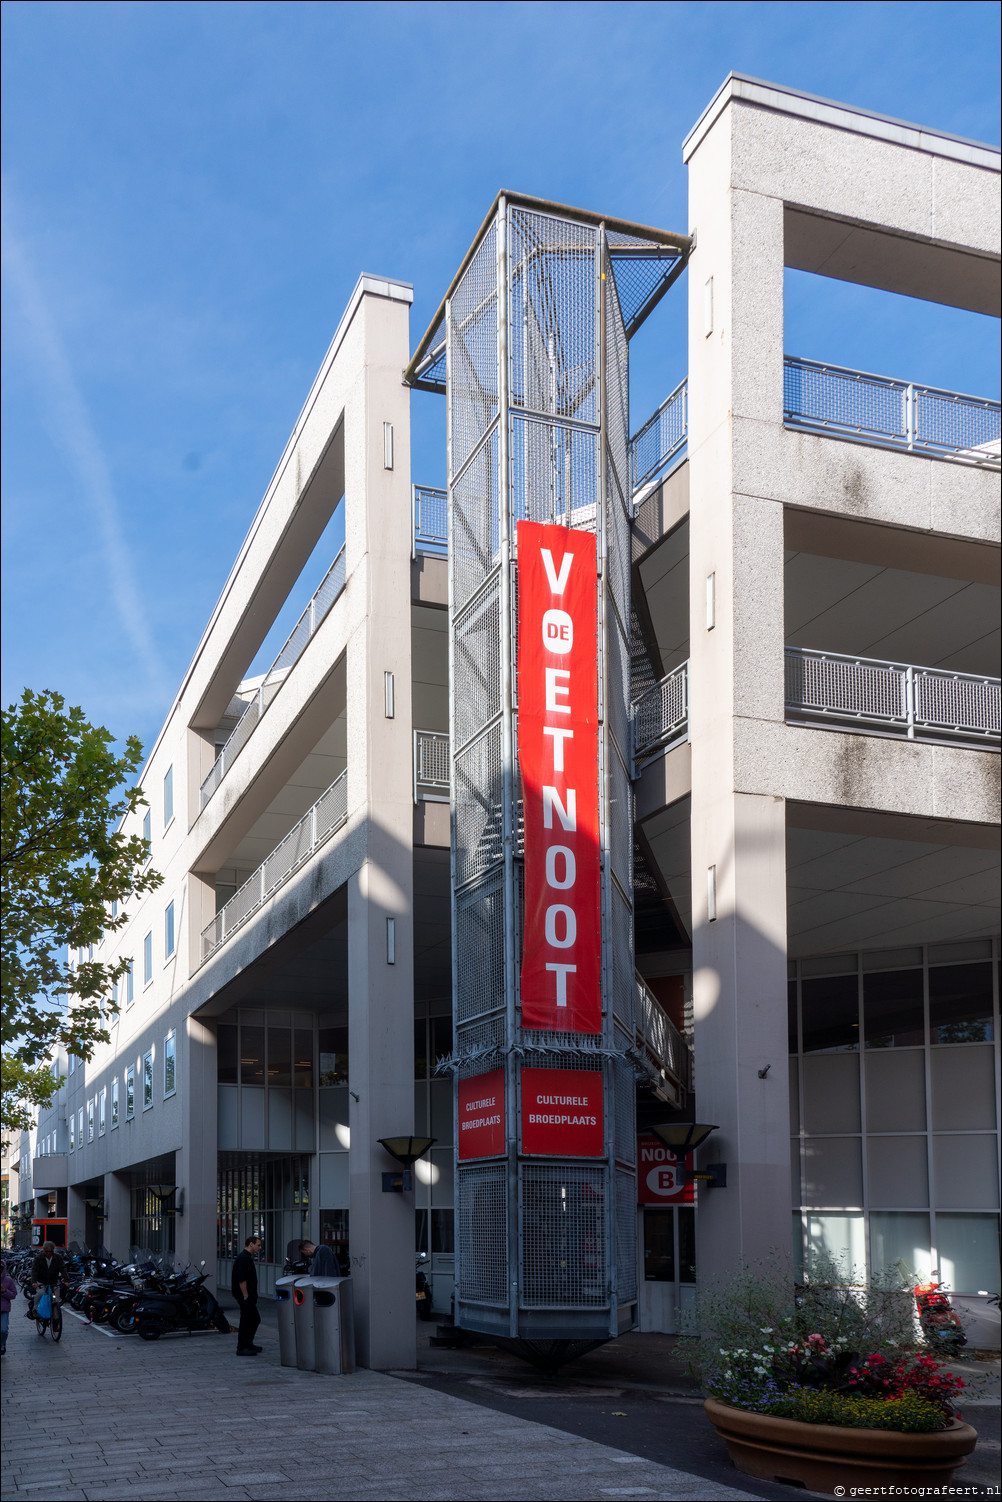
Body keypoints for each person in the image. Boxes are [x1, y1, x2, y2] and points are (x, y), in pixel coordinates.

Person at [231, 1235, 262, 1355]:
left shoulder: (245, 1257)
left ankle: (248, 1344)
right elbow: (242, 1279)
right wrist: (245, 1295)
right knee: (251, 1319)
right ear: (251, 1244)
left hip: (247, 1295)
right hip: (245, 1295)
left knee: (249, 1319)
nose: (259, 1247)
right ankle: (243, 1346)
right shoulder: (244, 1258)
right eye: (258, 1245)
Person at [29, 1242, 66, 1317]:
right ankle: (35, 1310)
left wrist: (67, 1280)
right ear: (43, 1250)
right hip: (42, 1282)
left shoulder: (58, 1258)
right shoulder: (38, 1258)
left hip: (53, 1282)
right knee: (40, 1294)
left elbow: (63, 1269)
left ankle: (56, 1320)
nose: (48, 1253)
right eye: (46, 1251)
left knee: (56, 1300)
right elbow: (34, 1270)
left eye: (50, 1251)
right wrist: (34, 1282)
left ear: (53, 1250)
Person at [1, 1260, 18, 1354]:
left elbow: (13, 1295)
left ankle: (2, 1344)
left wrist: (4, 1291)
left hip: (3, 1309)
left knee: (3, 1330)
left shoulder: (8, 1280)